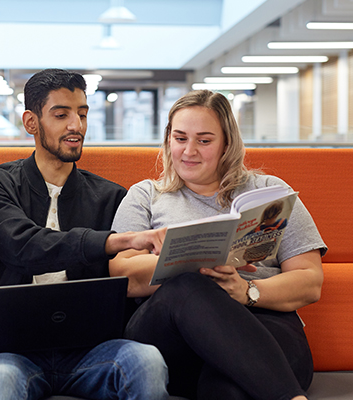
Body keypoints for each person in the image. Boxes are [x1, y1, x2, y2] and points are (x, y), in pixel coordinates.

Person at [0, 68, 169, 400]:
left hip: (91, 350)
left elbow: (130, 276)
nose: (77, 126)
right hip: (11, 352)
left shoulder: (112, 196)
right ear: (31, 123)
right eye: (62, 115)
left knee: (147, 360)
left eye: (82, 114)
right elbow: (23, 246)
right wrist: (114, 240)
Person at [109, 89, 326, 400]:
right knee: (188, 283)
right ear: (168, 139)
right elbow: (122, 274)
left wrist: (247, 292)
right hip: (175, 337)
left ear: (227, 144)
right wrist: (190, 262)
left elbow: (310, 281)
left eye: (204, 140)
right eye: (180, 138)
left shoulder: (270, 191)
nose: (189, 151)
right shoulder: (146, 196)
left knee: (227, 388)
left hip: (265, 325)